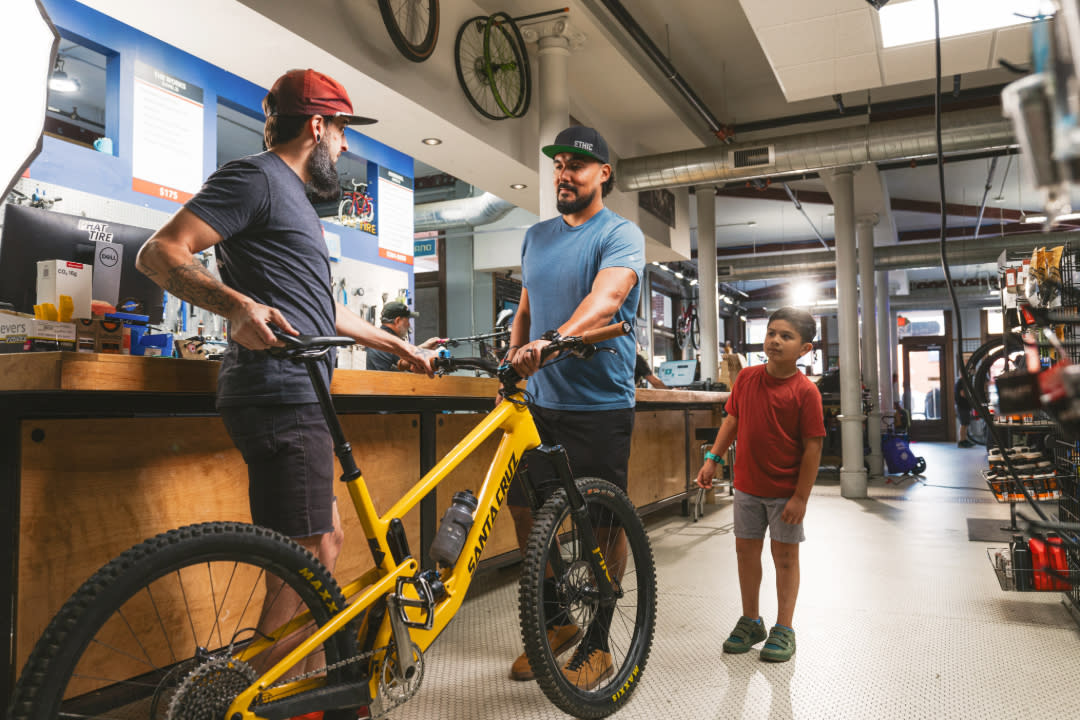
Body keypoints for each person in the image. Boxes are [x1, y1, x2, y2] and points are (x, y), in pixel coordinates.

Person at [135, 68, 435, 680]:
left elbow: (321, 307)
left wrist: (398, 347)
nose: (346, 147)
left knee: (322, 543)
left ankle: (308, 688)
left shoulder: (293, 198)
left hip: (301, 393)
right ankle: (253, 695)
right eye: (343, 131)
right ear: (318, 126)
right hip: (280, 392)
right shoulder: (256, 177)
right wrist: (236, 305)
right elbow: (159, 251)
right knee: (310, 552)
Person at [504, 125, 644, 689]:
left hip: (600, 402)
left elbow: (606, 298)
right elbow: (526, 306)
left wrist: (554, 339)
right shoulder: (536, 236)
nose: (564, 173)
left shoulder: (620, 233)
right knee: (524, 508)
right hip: (540, 403)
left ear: (603, 173)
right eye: (559, 164)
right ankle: (559, 619)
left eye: (577, 165)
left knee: (604, 523)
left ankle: (599, 642)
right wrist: (515, 351)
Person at [695, 307, 825, 663]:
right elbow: (731, 421)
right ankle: (751, 620)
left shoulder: (805, 392)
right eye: (771, 333)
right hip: (748, 488)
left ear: (804, 348)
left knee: (785, 558)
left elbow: (813, 445)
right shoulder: (747, 378)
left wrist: (801, 496)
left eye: (786, 336)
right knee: (746, 554)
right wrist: (713, 460)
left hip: (785, 492)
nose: (775, 341)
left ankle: (784, 628)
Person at [365, 300, 438, 370]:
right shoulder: (392, 341)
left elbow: (406, 354)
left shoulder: (379, 337)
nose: (409, 325)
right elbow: (411, 361)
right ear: (397, 320)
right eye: (407, 321)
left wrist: (424, 347)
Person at [955, 377, 975, 447]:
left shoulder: (963, 382)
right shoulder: (961, 382)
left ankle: (964, 439)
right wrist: (971, 396)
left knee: (965, 424)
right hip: (962, 406)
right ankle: (961, 441)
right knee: (963, 424)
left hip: (965, 406)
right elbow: (963, 393)